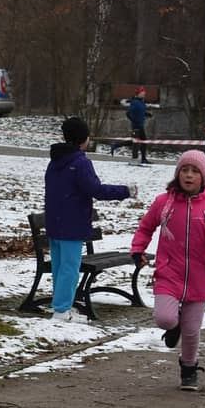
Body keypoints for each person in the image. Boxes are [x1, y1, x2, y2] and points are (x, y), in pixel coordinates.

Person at [130, 150, 205, 391]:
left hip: (199, 277)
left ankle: (189, 369)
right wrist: (137, 249)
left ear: (203, 177)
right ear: (177, 174)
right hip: (169, 272)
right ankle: (173, 325)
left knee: (192, 331)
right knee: (165, 318)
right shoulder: (164, 202)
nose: (188, 175)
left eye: (195, 171)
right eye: (184, 170)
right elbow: (146, 227)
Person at [44, 116, 136, 323]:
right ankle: (61, 311)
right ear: (83, 139)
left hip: (54, 223)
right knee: (70, 268)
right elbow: (96, 190)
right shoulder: (80, 162)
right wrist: (125, 191)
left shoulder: (55, 161)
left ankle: (61, 306)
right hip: (72, 224)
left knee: (59, 267)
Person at [111, 86, 152, 164]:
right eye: (142, 92)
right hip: (136, 126)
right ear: (138, 93)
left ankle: (115, 145)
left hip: (140, 125)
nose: (144, 93)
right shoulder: (134, 102)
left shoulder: (142, 102)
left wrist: (147, 114)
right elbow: (128, 113)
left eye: (144, 92)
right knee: (141, 141)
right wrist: (135, 121)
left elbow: (141, 112)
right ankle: (143, 159)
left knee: (135, 141)